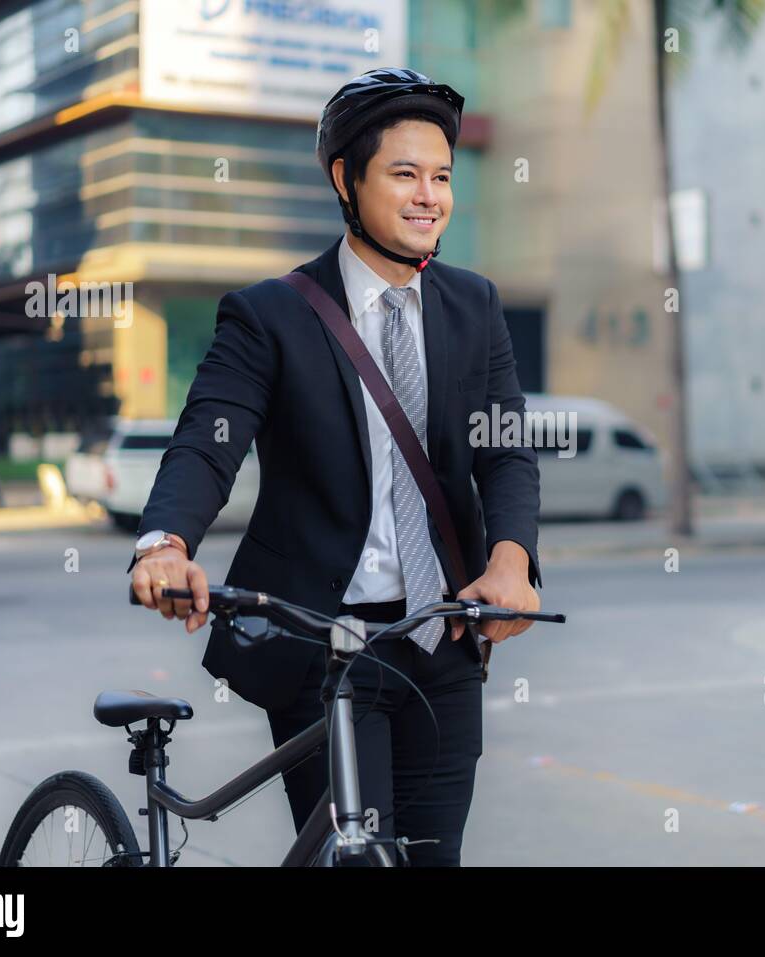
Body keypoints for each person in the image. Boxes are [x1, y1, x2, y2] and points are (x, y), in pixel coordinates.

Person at [126, 68, 543, 866]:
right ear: (346, 180)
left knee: (431, 859)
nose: (430, 196)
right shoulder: (271, 315)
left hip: (441, 640)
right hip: (324, 647)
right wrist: (165, 544)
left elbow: (504, 448)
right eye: (405, 174)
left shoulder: (475, 305)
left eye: (443, 177)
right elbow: (209, 441)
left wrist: (511, 561)